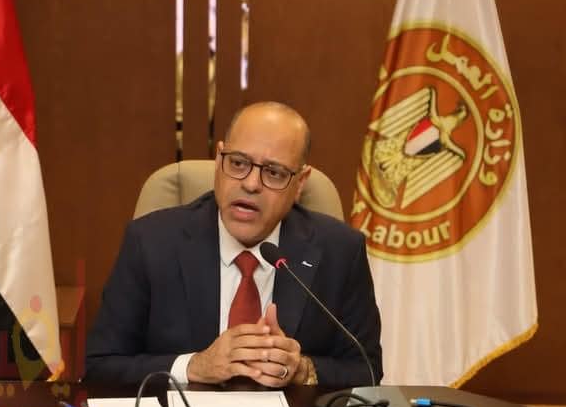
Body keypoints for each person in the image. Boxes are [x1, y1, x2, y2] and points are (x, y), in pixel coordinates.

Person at [85, 102, 382, 388]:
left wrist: (303, 370)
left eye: (274, 172)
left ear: (300, 183)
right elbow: (100, 366)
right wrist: (193, 366)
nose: (251, 184)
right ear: (219, 160)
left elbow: (366, 370)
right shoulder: (151, 242)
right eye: (238, 163)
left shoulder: (341, 252)